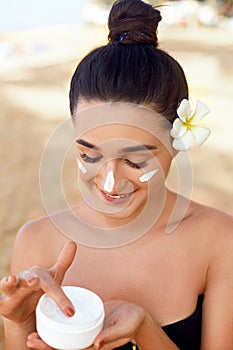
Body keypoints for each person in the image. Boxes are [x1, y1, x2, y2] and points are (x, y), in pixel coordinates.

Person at [0, 0, 232, 349]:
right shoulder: (36, 241)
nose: (109, 182)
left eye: (136, 162)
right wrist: (18, 325)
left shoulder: (219, 240)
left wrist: (144, 329)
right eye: (89, 155)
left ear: (178, 142)